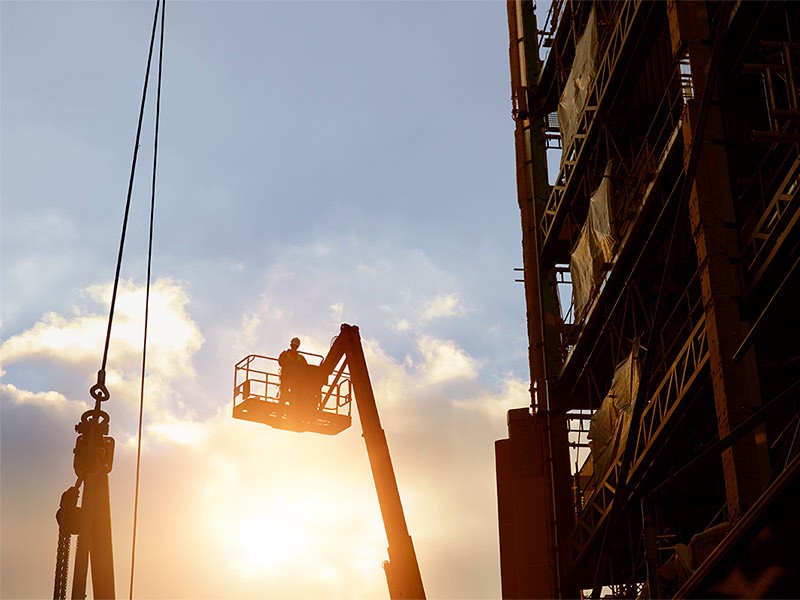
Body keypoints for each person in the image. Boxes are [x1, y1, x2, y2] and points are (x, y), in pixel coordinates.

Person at [278, 337, 307, 408]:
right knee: (285, 394)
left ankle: (288, 407)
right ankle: (283, 406)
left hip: (294, 380)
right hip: (286, 378)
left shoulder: (300, 357)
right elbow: (280, 362)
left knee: (293, 395)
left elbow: (306, 369)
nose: (294, 347)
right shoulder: (285, 354)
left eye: (295, 345)